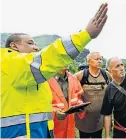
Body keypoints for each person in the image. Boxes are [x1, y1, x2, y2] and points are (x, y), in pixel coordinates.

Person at [0, 3, 108, 138]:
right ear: (13, 46)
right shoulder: (9, 62)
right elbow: (50, 57)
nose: (36, 48)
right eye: (30, 43)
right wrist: (85, 35)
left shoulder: (35, 76)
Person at [74, 52, 111, 138]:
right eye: (96, 59)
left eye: (101, 59)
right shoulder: (80, 75)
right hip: (83, 120)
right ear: (89, 61)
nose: (99, 61)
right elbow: (71, 89)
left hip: (99, 120)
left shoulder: (106, 75)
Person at [48, 67, 85, 138]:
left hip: (70, 128)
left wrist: (80, 106)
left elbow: (78, 97)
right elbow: (38, 105)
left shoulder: (73, 79)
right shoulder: (44, 80)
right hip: (53, 128)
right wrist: (54, 111)